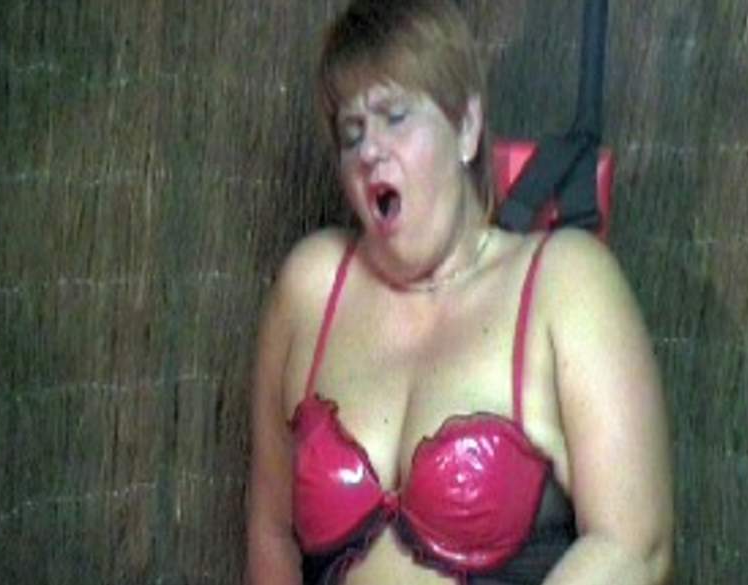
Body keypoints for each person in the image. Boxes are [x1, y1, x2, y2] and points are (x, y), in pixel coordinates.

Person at [247, 1, 673, 583]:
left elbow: (633, 546)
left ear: (467, 128)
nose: (370, 150)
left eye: (395, 116)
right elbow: (271, 533)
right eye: (352, 133)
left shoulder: (565, 283)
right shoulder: (312, 289)